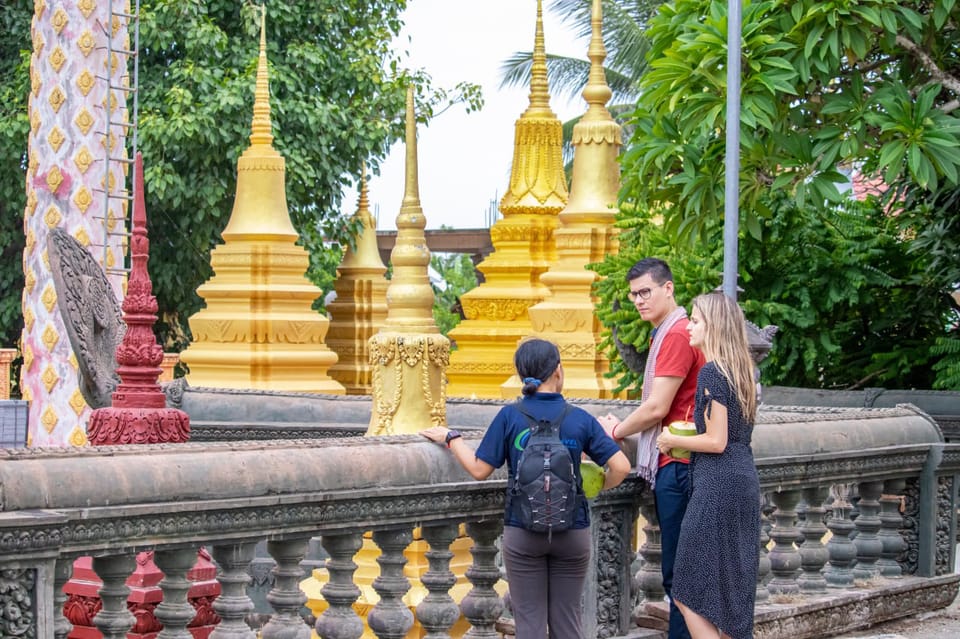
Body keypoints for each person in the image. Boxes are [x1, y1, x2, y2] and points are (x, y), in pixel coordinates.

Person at [421, 338, 630, 639]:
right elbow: (621, 467)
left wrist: (452, 437)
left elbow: (480, 470)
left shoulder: (510, 416)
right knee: (567, 622)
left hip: (523, 530)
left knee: (529, 624)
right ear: (558, 370)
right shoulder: (579, 419)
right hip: (572, 530)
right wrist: (590, 490)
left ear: (521, 375)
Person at [597, 258, 704, 639]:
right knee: (691, 575)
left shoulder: (675, 334)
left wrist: (617, 429)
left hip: (678, 465)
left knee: (682, 577)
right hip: (686, 463)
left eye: (646, 292)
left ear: (668, 288)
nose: (639, 301)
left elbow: (658, 407)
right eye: (634, 295)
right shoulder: (676, 331)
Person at [655, 292, 761, 639]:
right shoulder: (743, 370)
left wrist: (673, 441)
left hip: (717, 483)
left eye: (696, 319)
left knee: (685, 586)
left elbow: (716, 441)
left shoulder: (713, 373)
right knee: (731, 589)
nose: (689, 326)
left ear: (712, 326)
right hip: (743, 478)